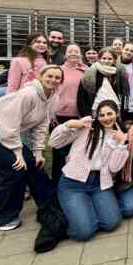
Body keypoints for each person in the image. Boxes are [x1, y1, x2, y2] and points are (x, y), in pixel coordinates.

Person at [0, 65, 61, 231]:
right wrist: (17, 152)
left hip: (1, 130)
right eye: (49, 76)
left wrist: (37, 152)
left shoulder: (52, 97)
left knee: (33, 163)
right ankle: (1, 219)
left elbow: (41, 125)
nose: (53, 80)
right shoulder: (28, 94)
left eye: (57, 78)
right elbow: (9, 123)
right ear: (41, 76)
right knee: (14, 169)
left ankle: (50, 203)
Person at [49, 100, 128, 241]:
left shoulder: (119, 135)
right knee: (84, 233)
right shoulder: (86, 127)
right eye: (101, 115)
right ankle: (68, 216)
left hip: (99, 184)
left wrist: (122, 144)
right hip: (73, 184)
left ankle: (85, 210)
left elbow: (114, 168)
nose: (106, 118)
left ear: (117, 113)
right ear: (96, 116)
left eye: (109, 113)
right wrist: (69, 125)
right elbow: (54, 142)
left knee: (112, 223)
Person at [52, 44, 88, 184]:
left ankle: (72, 182)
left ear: (80, 55)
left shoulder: (85, 71)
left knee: (75, 151)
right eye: (70, 51)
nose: (73, 54)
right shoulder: (59, 70)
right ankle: (57, 182)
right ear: (65, 55)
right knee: (59, 151)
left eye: (76, 51)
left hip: (79, 116)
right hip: (60, 116)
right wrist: (51, 113)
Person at [77, 48, 121, 117]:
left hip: (115, 111)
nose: (106, 61)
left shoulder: (118, 73)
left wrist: (124, 109)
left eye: (110, 59)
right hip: (95, 111)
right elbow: (82, 97)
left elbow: (123, 94)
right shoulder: (90, 72)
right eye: (104, 58)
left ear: (114, 60)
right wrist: (85, 115)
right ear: (99, 59)